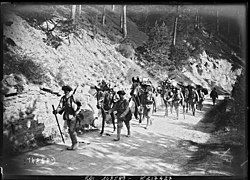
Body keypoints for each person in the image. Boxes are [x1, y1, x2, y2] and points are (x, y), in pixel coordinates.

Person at [53, 85, 81, 150]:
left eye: (67, 91)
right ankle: (74, 143)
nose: (65, 92)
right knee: (70, 130)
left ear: (69, 91)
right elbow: (60, 106)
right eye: (64, 91)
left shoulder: (73, 98)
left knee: (71, 130)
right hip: (67, 116)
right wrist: (56, 111)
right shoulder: (63, 98)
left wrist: (77, 111)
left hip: (73, 116)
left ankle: (75, 143)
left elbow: (79, 105)